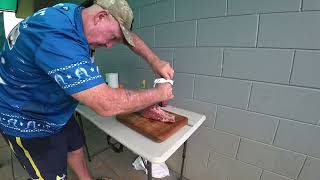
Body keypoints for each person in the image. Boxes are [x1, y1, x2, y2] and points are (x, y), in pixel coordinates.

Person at [0, 0, 174, 179]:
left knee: (75, 146)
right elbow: (106, 105)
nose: (109, 45)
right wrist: (158, 94)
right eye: (112, 37)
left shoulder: (76, 13)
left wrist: (155, 61)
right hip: (27, 121)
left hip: (56, 108)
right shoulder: (56, 37)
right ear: (100, 17)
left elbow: (129, 38)